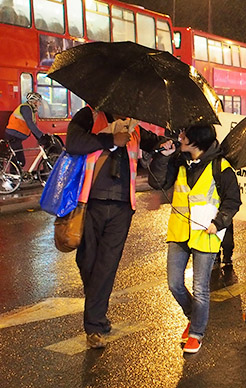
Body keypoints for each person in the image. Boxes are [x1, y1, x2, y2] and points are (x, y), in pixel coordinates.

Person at [66, 106, 169, 349]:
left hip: (123, 206)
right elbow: (73, 143)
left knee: (107, 265)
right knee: (87, 261)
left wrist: (166, 147)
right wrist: (111, 140)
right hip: (89, 203)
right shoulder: (89, 116)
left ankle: (94, 325)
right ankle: (97, 310)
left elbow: (156, 143)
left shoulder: (134, 129)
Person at [148, 124, 241, 354]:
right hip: (179, 232)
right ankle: (194, 316)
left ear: (195, 142)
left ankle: (196, 333)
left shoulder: (222, 167)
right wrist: (163, 157)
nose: (180, 138)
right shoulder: (179, 161)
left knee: (200, 288)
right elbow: (156, 181)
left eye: (184, 135)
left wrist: (218, 223)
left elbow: (233, 201)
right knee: (174, 284)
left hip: (205, 234)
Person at [5, 92, 45, 167]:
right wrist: (40, 136)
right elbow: (30, 124)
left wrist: (40, 137)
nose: (40, 104)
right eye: (39, 101)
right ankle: (13, 175)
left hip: (16, 136)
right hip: (13, 135)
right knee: (19, 160)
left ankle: (15, 175)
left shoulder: (31, 110)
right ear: (34, 102)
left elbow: (33, 127)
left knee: (19, 160)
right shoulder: (25, 108)